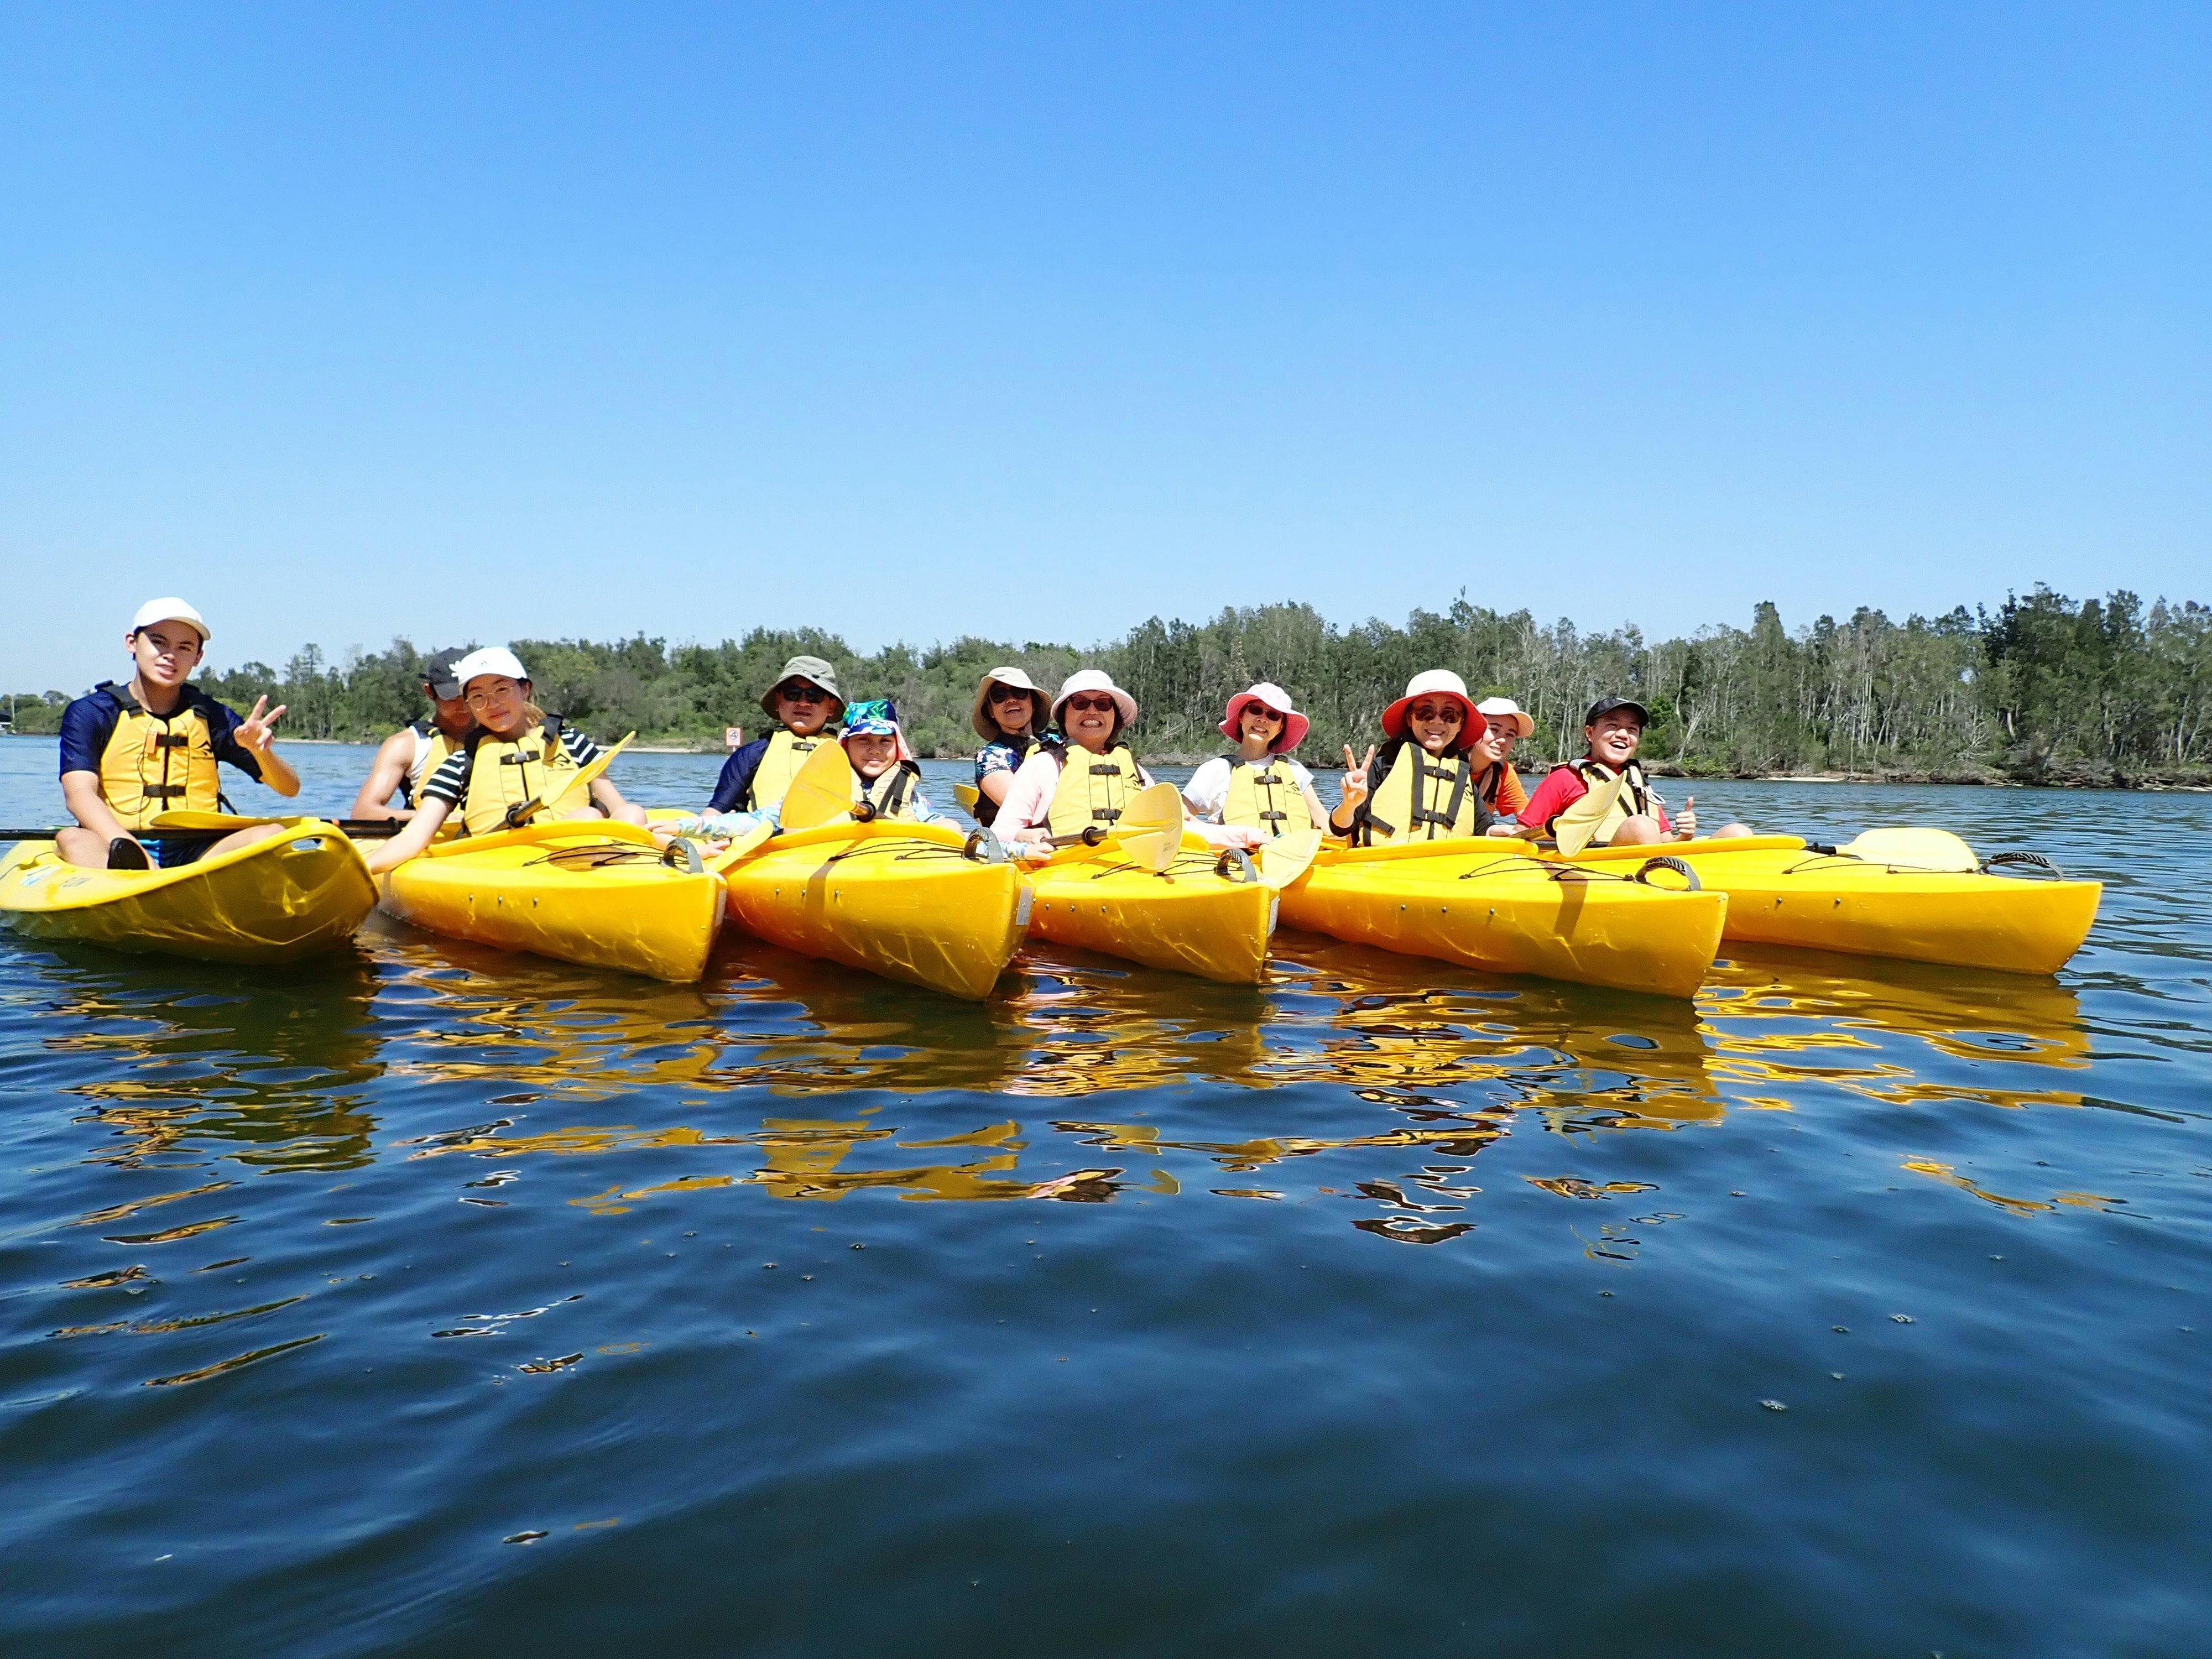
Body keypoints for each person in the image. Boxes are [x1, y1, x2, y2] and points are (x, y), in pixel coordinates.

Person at [55, 598, 299, 870]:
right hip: (116, 843)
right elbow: (78, 795)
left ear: (198, 657)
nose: (171, 655)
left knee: (272, 834)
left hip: (197, 849)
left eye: (185, 647)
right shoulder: (92, 712)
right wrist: (129, 847)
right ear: (132, 643)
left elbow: (290, 788)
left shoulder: (213, 716)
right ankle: (118, 893)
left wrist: (258, 751)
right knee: (73, 839)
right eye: (159, 642)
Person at [365, 647, 645, 873]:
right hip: (501, 868)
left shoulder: (572, 743)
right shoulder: (460, 764)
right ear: (469, 705)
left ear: (524, 690)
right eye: (478, 697)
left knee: (628, 813)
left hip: (582, 856)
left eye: (502, 690)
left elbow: (617, 809)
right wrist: (363, 871)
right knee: (588, 816)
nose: (493, 705)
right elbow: (415, 837)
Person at [1518, 696, 1751, 846]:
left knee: (1738, 833)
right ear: (1590, 733)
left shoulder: (1638, 784)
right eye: (1613, 726)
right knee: (1640, 825)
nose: (1623, 734)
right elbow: (1522, 835)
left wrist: (1686, 836)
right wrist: (1560, 830)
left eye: (1632, 729)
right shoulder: (1564, 779)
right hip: (1598, 869)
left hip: (1649, 865)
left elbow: (1664, 844)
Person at [1329, 670, 1513, 845]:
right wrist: (1349, 805)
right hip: (1383, 866)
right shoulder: (1385, 765)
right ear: (1411, 718)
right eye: (1426, 712)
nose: (1437, 721)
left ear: (1460, 724)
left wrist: (1496, 831)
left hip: (1443, 868)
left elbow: (1484, 827)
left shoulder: (1462, 774)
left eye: (1450, 715)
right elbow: (1340, 828)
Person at [992, 670, 1155, 854]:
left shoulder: (1136, 771)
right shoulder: (1043, 765)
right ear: (1064, 715)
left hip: (1128, 869)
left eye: (1103, 704)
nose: (1092, 711)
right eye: (1080, 703)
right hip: (1062, 871)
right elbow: (998, 833)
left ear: (1114, 716)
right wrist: (1022, 837)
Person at [1183, 682, 1327, 844]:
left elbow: (1327, 828)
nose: (1263, 719)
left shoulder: (1295, 771)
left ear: (1280, 728)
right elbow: (1178, 818)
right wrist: (1216, 832)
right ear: (1242, 716)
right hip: (1238, 862)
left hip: (1295, 861)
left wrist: (1351, 804)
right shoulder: (1216, 770)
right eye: (1256, 710)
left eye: (1273, 715)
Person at [707, 655, 845, 816]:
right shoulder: (751, 755)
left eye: (815, 696)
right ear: (779, 701)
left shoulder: (849, 752)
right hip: (766, 837)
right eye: (792, 694)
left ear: (831, 706)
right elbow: (715, 812)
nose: (803, 703)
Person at [350, 647, 474, 821]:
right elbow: (363, 812)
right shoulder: (405, 745)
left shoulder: (503, 735)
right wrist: (429, 817)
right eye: (452, 698)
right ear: (430, 692)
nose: (463, 707)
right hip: (434, 839)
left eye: (469, 696)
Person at [969, 667, 1051, 828]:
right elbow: (1024, 810)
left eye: (1020, 692)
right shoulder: (989, 757)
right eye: (999, 696)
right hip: (1024, 842)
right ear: (991, 712)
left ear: (1033, 704)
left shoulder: (1058, 740)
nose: (1011, 700)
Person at [842, 700, 949, 823]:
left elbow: (942, 824)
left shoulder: (912, 798)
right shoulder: (825, 790)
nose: (875, 750)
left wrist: (949, 826)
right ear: (845, 745)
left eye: (885, 741)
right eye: (863, 739)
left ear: (897, 746)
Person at [1470, 696, 1535, 823]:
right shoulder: (1448, 762)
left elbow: (1528, 819)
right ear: (1474, 728)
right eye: (1494, 729)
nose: (1503, 740)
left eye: (1510, 735)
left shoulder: (1502, 772)